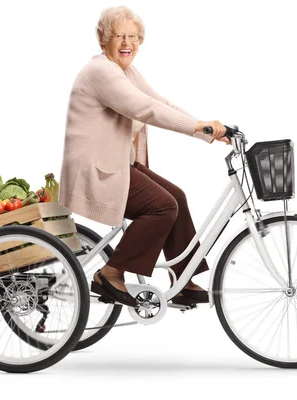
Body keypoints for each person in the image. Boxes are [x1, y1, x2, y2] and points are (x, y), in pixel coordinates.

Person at [58, 6, 230, 307]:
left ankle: (183, 278)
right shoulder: (102, 72)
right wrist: (199, 128)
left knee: (177, 196)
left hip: (115, 165)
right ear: (104, 40)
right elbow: (145, 110)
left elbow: (160, 103)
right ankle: (109, 273)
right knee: (162, 206)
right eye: (119, 36)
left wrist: (208, 130)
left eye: (134, 37)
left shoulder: (126, 72)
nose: (127, 43)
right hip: (95, 170)